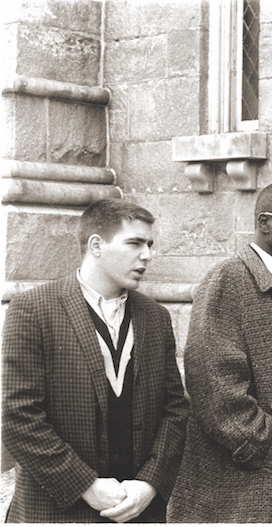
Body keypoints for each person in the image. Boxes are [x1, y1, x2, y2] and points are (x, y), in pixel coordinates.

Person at [2, 199, 188, 522]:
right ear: (96, 245)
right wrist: (85, 485)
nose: (147, 254)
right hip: (56, 512)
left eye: (150, 244)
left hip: (139, 510)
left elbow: (174, 409)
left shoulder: (156, 317)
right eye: (134, 243)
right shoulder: (33, 309)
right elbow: (18, 417)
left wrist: (149, 483)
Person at [166, 183, 272, 522]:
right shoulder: (229, 279)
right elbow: (211, 381)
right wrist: (261, 441)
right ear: (264, 222)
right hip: (245, 476)